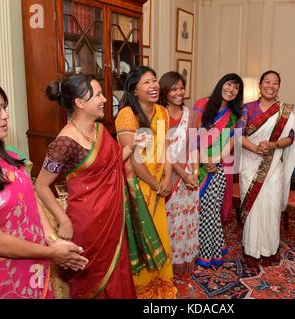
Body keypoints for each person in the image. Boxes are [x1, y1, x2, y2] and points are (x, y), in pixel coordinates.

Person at [0, 76, 88, 299]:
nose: (6, 115)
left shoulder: (10, 156)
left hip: (35, 270)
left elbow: (30, 201)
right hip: (0, 280)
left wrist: (53, 239)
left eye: (5, 108)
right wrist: (52, 253)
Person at [35, 74, 138, 299]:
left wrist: (134, 145)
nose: (104, 99)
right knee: (90, 280)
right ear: (80, 103)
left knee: (117, 273)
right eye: (98, 94)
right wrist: (63, 220)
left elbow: (112, 163)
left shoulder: (100, 130)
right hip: (86, 224)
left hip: (112, 218)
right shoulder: (65, 142)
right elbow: (41, 186)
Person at [115, 66, 178, 299]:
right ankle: (141, 289)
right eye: (146, 82)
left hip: (159, 182)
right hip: (136, 186)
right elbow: (133, 159)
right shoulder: (127, 115)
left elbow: (167, 148)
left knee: (159, 233)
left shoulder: (163, 112)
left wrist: (168, 178)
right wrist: (155, 183)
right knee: (140, 235)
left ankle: (160, 285)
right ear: (134, 89)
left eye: (154, 81)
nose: (153, 86)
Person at [237, 71, 295, 268]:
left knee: (271, 207)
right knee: (253, 207)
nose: (271, 86)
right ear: (260, 84)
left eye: (275, 83)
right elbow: (238, 134)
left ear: (279, 87)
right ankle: (251, 251)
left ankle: (269, 250)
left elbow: (291, 137)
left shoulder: (285, 111)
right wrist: (255, 148)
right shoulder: (247, 108)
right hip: (249, 163)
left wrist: (273, 145)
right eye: (267, 82)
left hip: (273, 165)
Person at [193, 73, 244, 268]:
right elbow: (192, 133)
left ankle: (208, 253)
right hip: (196, 164)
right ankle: (212, 249)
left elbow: (231, 142)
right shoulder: (202, 104)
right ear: (221, 84)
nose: (231, 89)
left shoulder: (234, 115)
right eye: (229, 84)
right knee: (200, 211)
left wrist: (215, 160)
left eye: (236, 88)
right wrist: (205, 160)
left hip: (218, 167)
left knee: (211, 212)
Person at [158, 71, 200, 278]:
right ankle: (167, 266)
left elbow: (193, 145)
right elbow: (162, 151)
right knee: (169, 221)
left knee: (187, 220)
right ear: (165, 92)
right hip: (167, 174)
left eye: (181, 88)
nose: (179, 92)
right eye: (173, 89)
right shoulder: (159, 114)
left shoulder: (191, 115)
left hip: (189, 175)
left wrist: (196, 172)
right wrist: (183, 174)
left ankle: (184, 260)